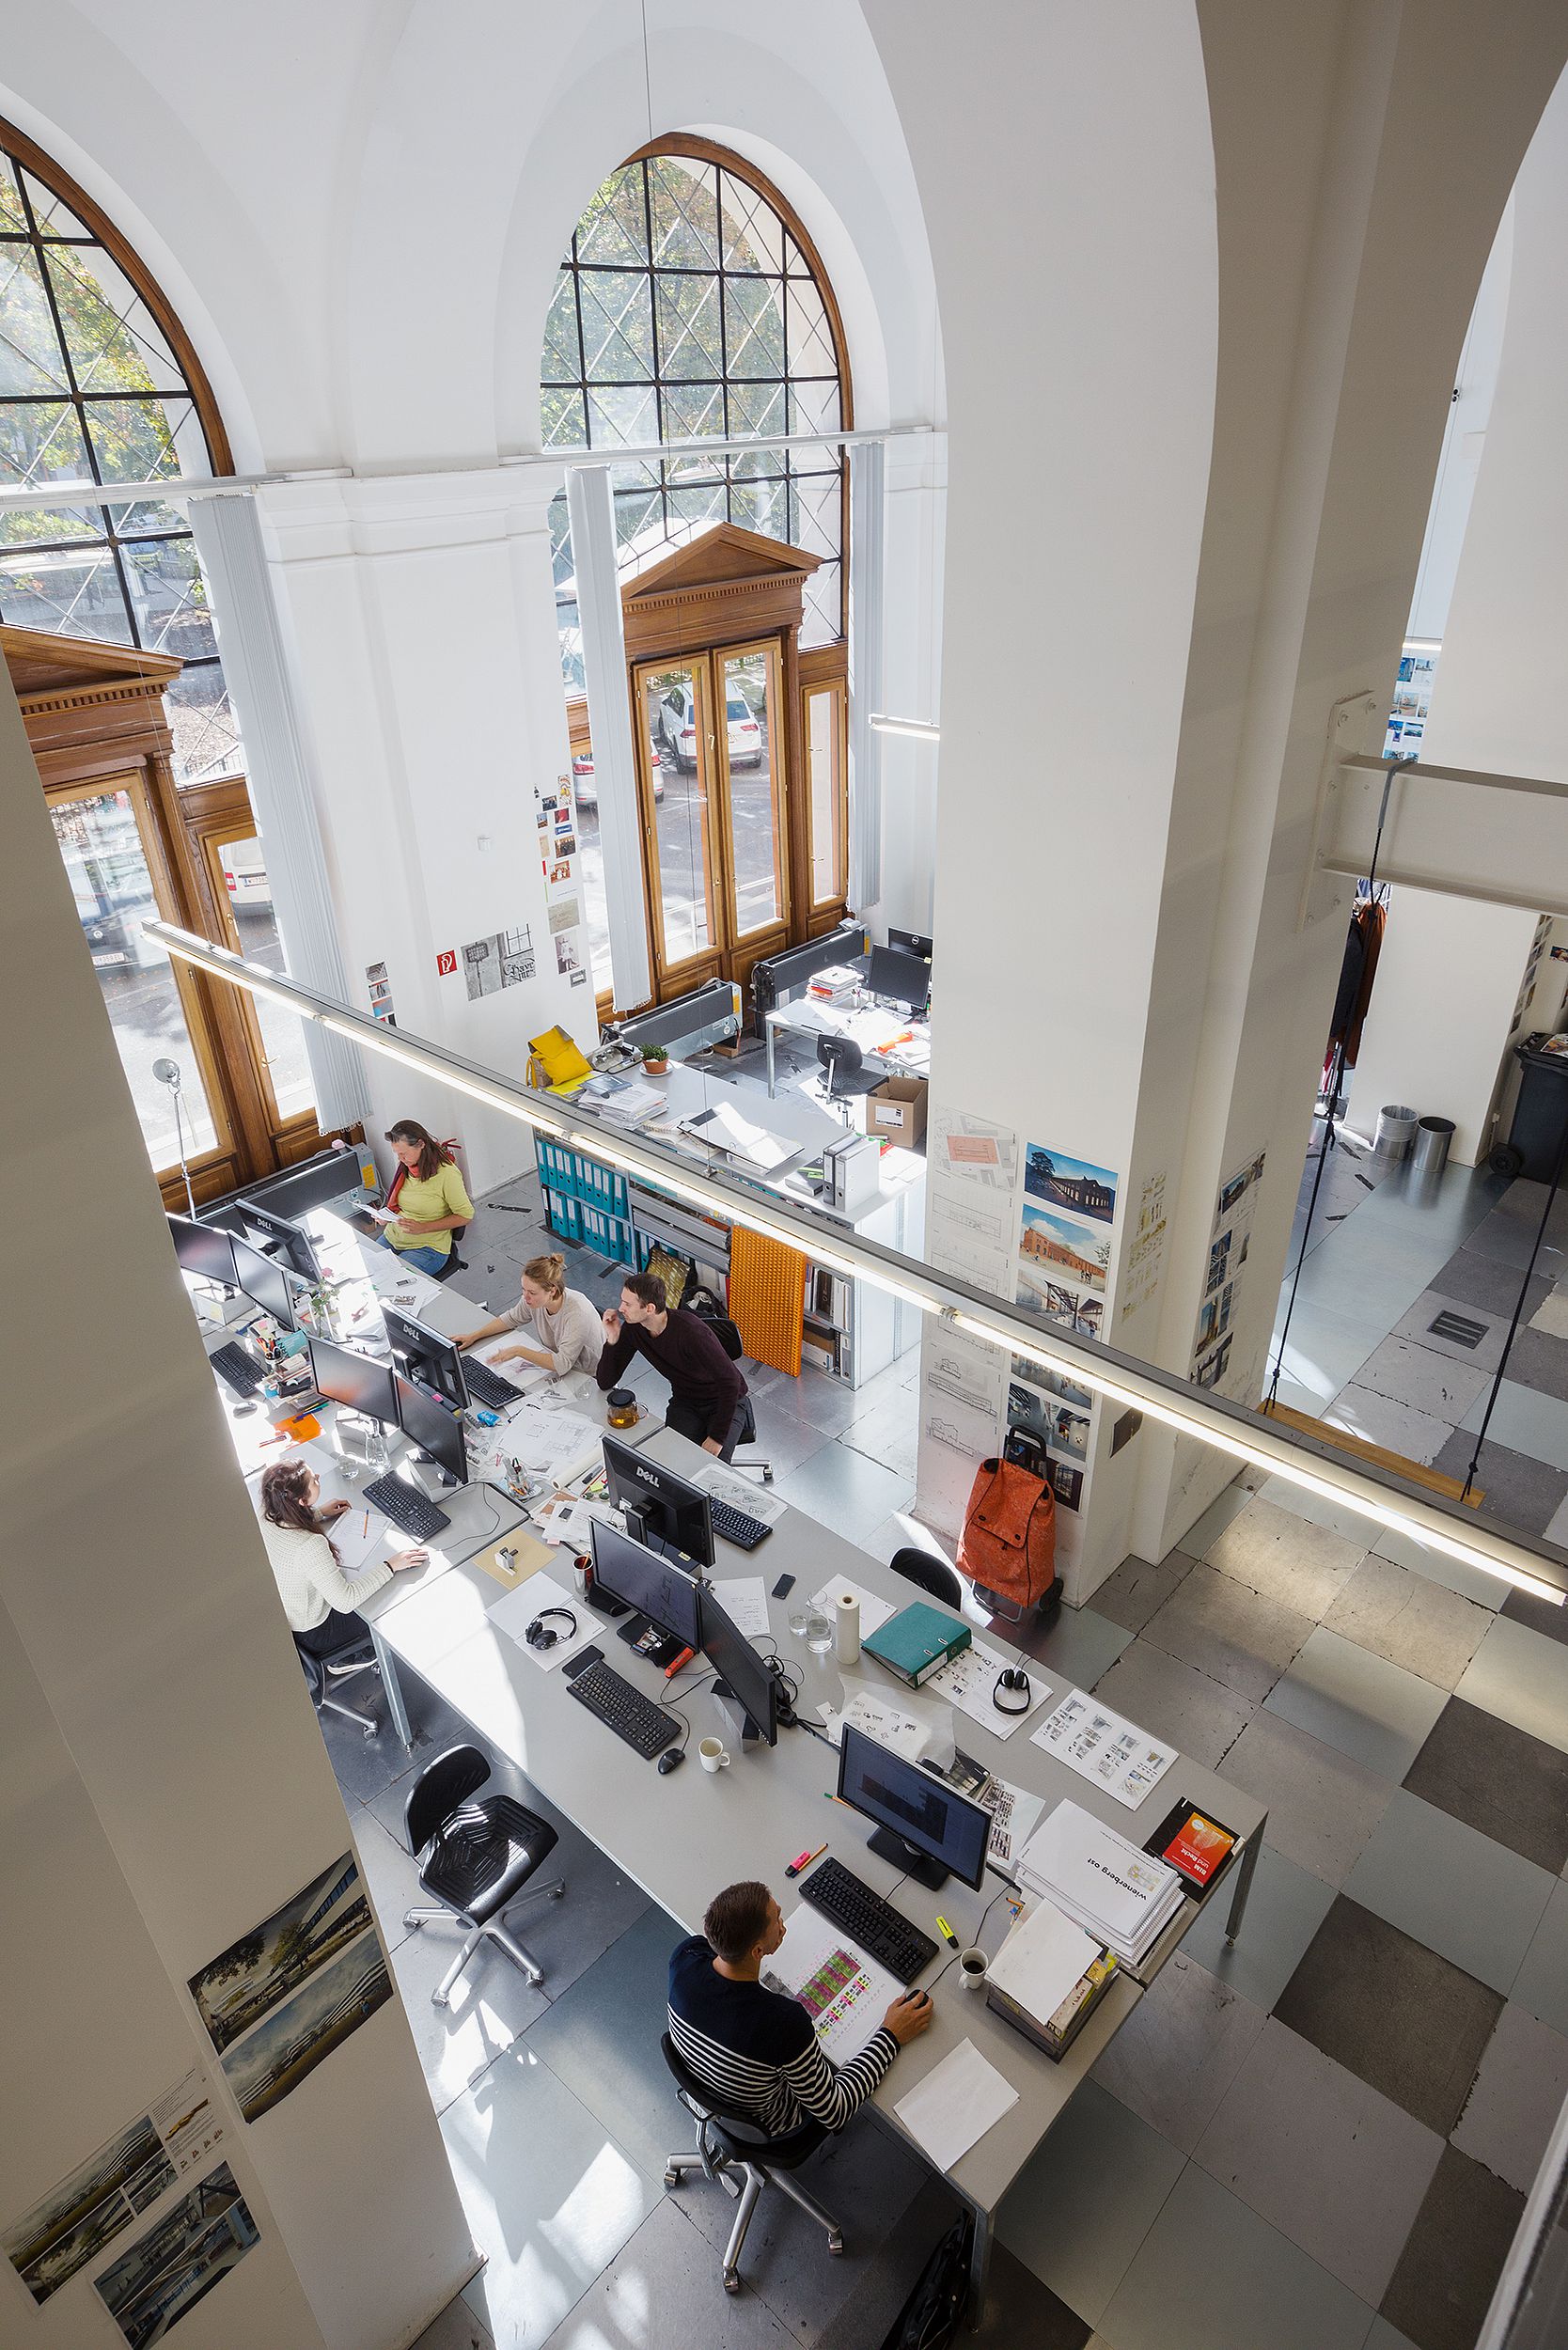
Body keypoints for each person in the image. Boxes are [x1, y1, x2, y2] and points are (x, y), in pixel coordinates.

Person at [667, 1880, 933, 2136]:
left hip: (712, 2088)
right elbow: (834, 2111)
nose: (782, 1921)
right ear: (757, 1951)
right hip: (774, 2121)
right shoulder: (783, 2023)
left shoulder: (686, 1956)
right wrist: (891, 2035)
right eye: (777, 1918)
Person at [259, 1459, 425, 1654]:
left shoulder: (266, 1515)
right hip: (317, 1631)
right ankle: (353, 1658)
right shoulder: (309, 1545)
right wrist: (391, 1565)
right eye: (314, 1480)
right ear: (302, 1500)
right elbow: (345, 1601)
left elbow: (288, 1527)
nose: (318, 1477)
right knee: (392, 1603)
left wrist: (319, 1513)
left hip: (290, 1618)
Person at [595, 1269, 748, 1457]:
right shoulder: (633, 1329)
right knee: (671, 1460)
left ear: (649, 1308)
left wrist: (717, 1438)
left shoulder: (692, 1332)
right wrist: (612, 1339)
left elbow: (730, 1382)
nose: (620, 1309)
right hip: (686, 1401)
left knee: (711, 1467)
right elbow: (605, 1381)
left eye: (627, 1304)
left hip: (724, 1401)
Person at [450, 1252, 603, 1378]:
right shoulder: (534, 1300)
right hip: (560, 1364)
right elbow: (511, 1318)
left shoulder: (577, 1313)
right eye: (523, 1289)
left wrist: (518, 1351)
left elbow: (561, 1364)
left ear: (552, 1291)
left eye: (532, 1292)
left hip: (588, 1375)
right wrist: (474, 1336)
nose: (525, 1296)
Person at [378, 1120, 474, 1276]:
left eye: (404, 1153)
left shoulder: (447, 1174)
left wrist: (423, 1227)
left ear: (421, 1144)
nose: (400, 1158)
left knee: (391, 1279)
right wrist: (385, 1216)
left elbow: (466, 1215)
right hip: (393, 1237)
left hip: (427, 1248)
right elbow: (399, 1205)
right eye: (397, 1153)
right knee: (367, 1271)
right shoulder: (406, 1167)